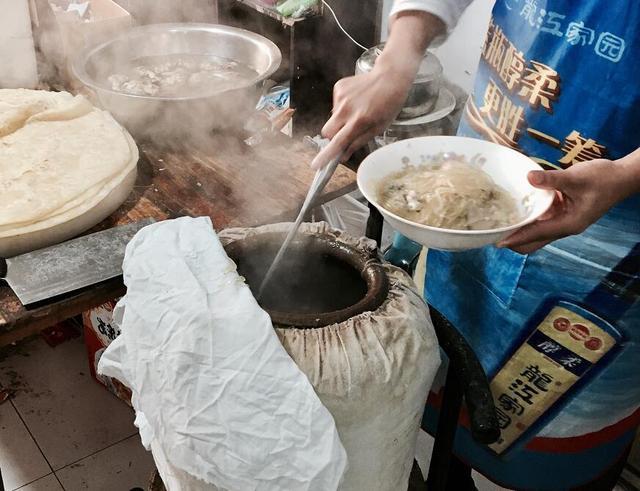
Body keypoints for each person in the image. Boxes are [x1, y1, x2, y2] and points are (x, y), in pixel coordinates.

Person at [313, 1, 640, 490]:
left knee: (550, 460)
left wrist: (624, 174)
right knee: (440, 396)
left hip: (605, 256)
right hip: (477, 179)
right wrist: (398, 57)